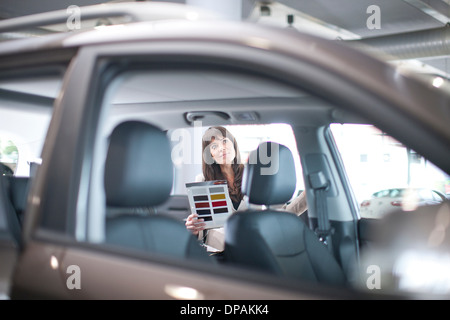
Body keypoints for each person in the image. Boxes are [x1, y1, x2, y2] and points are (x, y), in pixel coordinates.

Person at [185, 126, 308, 245]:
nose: (222, 148)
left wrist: (308, 196)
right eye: (214, 146)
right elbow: (204, 228)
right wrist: (195, 230)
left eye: (224, 141)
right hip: (220, 252)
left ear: (233, 144)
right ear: (210, 155)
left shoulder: (254, 173)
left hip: (254, 247)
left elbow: (282, 215)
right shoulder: (203, 180)